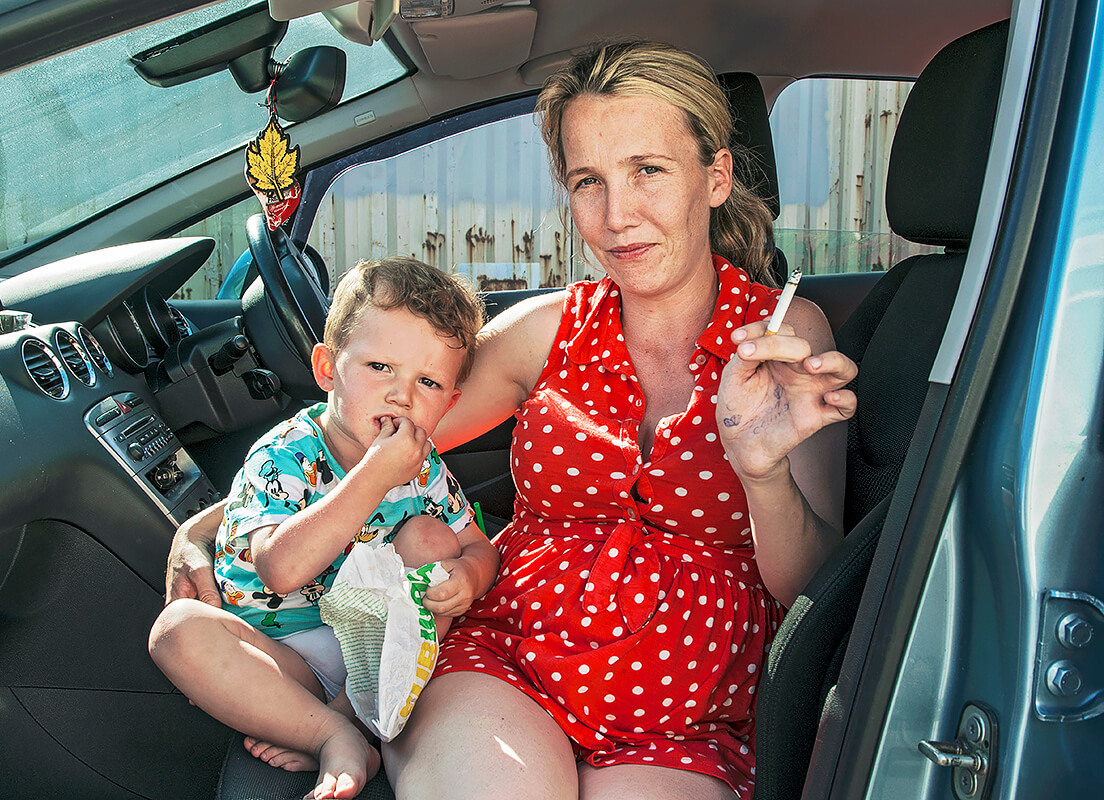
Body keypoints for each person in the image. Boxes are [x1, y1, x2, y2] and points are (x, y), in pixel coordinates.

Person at [165, 39, 857, 800]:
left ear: (715, 176)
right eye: (588, 181)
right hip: (508, 659)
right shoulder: (547, 330)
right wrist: (206, 526)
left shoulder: (784, 342)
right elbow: (379, 436)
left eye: (648, 172)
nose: (617, 216)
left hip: (684, 713)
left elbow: (810, 585)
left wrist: (760, 475)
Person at [149, 257, 498, 800]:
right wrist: (374, 475)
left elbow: (478, 545)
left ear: (449, 402)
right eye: (380, 367)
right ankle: (331, 731)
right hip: (281, 655)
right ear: (328, 368)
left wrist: (469, 576)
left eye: (427, 381)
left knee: (433, 539)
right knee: (176, 631)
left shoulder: (423, 466)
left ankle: (361, 713)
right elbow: (281, 569)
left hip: (376, 648)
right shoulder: (286, 453)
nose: (400, 395)